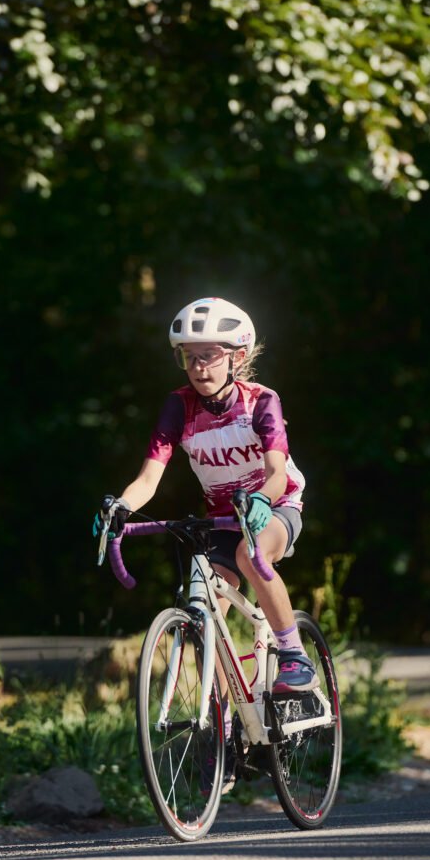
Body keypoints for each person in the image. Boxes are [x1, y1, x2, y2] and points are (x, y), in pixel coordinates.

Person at [93, 296, 318, 787]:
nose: (198, 367)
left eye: (209, 356)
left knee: (250, 554)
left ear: (237, 356)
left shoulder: (261, 401)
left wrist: (261, 500)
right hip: (221, 516)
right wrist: (121, 507)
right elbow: (149, 477)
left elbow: (277, 472)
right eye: (189, 357)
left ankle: (294, 655)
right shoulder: (179, 406)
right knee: (200, 596)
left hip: (275, 505)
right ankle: (223, 722)